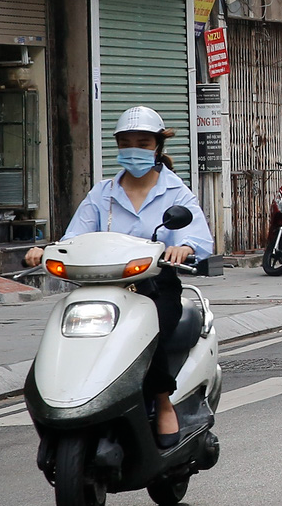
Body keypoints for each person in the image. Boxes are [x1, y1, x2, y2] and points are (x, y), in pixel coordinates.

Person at [27, 107, 211, 447]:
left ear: (156, 147)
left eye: (142, 142)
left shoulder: (176, 193)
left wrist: (183, 248)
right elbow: (73, 239)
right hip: (102, 289)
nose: (133, 149)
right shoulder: (102, 194)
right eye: (126, 142)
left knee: (146, 330)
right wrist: (47, 251)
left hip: (155, 288)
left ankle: (161, 399)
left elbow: (199, 239)